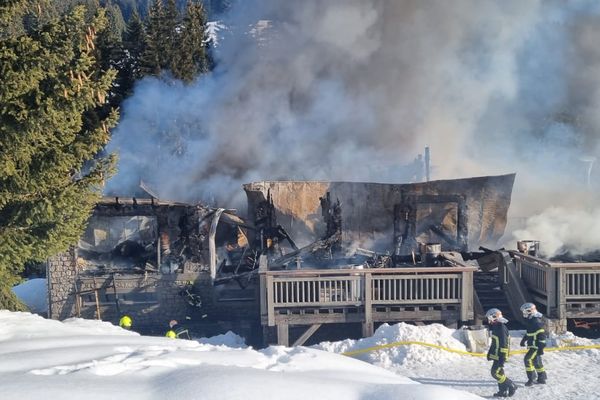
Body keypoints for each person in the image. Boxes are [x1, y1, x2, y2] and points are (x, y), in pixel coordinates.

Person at [486, 308, 517, 397]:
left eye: (490, 318)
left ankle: (511, 385)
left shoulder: (501, 328)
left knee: (495, 373)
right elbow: (495, 342)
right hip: (496, 355)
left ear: (494, 317)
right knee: (500, 373)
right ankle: (502, 391)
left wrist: (502, 357)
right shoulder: (496, 327)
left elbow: (504, 344)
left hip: (500, 356)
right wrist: (490, 353)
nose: (489, 320)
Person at [519, 302, 547, 385]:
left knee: (527, 360)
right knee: (537, 361)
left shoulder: (536, 322)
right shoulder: (531, 321)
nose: (523, 314)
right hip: (533, 345)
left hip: (535, 347)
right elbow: (530, 333)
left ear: (529, 311)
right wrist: (524, 340)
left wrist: (541, 348)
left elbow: (542, 337)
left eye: (524, 312)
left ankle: (531, 379)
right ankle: (542, 378)